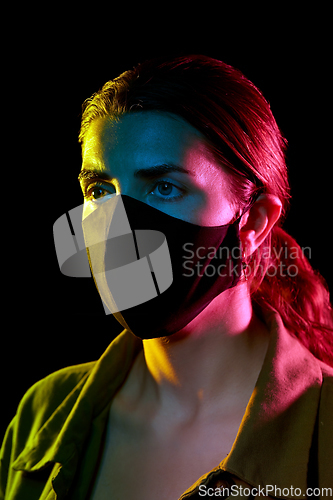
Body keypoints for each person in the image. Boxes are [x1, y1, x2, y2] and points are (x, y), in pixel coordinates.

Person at [1, 55, 332, 499]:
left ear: (252, 222)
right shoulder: (42, 415)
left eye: (164, 187)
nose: (118, 227)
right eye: (100, 191)